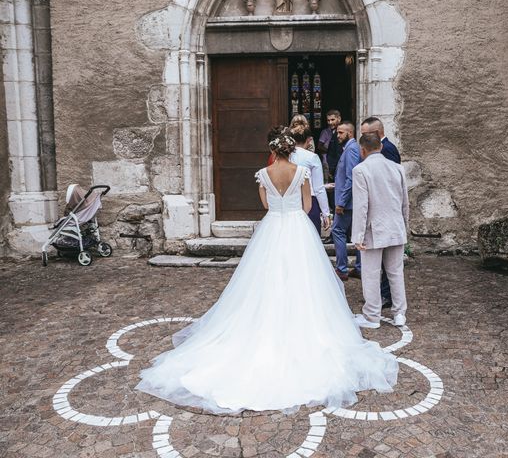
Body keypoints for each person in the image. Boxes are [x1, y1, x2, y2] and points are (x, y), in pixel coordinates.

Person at [135, 130, 397, 415]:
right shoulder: (302, 172)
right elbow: (308, 205)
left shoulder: (263, 173)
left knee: (264, 281)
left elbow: (265, 205)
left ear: (274, 151)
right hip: (298, 229)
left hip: (272, 228)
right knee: (306, 281)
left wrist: (279, 203)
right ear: (291, 150)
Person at [351, 132, 409, 329]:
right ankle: (400, 313)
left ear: (363, 150)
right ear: (381, 147)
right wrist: (405, 226)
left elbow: (361, 206)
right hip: (396, 226)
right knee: (396, 272)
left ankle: (372, 315)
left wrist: (357, 235)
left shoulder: (361, 170)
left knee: (371, 273)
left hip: (373, 229)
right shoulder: (397, 168)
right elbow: (404, 203)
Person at [361, 117, 401, 308]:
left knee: (377, 270)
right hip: (393, 223)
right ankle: (398, 309)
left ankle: (377, 306)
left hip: (378, 223)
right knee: (394, 271)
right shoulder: (392, 166)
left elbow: (389, 191)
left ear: (376, 134)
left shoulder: (388, 151)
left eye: (365, 135)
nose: (363, 139)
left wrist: (358, 235)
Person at [331, 121, 361, 281]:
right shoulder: (350, 149)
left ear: (350, 133)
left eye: (341, 132)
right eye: (337, 132)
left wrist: (341, 202)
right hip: (348, 200)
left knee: (337, 231)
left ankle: (342, 268)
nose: (337, 135)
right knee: (355, 234)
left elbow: (351, 178)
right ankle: (359, 268)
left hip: (347, 203)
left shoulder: (351, 150)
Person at [290, 128, 330, 234]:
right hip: (310, 201)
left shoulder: (285, 156)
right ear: (309, 140)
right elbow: (318, 188)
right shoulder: (312, 157)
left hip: (290, 201)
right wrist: (326, 213)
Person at [317, 110, 342, 182]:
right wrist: (330, 151)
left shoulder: (342, 131)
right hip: (327, 162)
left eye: (332, 120)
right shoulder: (325, 132)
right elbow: (319, 146)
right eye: (328, 120)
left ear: (339, 119)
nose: (330, 123)